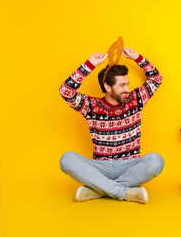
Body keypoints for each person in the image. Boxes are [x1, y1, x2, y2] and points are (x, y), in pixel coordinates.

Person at [59, 47, 164, 203]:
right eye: (122, 85)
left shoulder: (135, 99)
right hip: (101, 167)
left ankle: (101, 190)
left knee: (157, 161)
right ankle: (123, 192)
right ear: (108, 87)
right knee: (66, 159)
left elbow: (157, 79)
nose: (127, 89)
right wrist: (90, 64)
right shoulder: (91, 106)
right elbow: (66, 91)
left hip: (130, 167)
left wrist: (138, 58)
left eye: (127, 84)